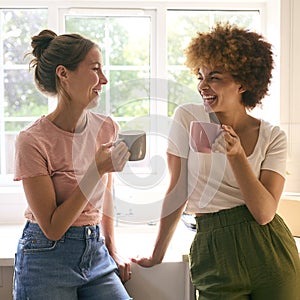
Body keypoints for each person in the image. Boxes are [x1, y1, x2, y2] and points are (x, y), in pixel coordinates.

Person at [132, 23, 300, 299]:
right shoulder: (189, 117)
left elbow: (264, 213)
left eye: (215, 78)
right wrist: (156, 254)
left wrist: (237, 156)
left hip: (270, 251)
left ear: (243, 83)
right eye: (200, 76)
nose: (202, 86)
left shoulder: (273, 136)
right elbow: (178, 190)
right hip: (213, 245)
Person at [13, 29, 133, 300]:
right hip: (45, 257)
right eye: (95, 69)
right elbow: (53, 228)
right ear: (63, 74)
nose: (104, 79)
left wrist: (112, 247)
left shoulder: (106, 128)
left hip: (96, 253)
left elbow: (106, 194)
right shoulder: (32, 141)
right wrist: (97, 169)